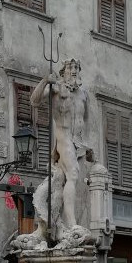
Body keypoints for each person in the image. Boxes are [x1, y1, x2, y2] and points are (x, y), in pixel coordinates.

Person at [30, 59, 93, 242]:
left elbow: (85, 120)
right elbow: (34, 101)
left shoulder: (83, 94)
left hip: (78, 143)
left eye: (76, 68)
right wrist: (44, 81)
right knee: (72, 175)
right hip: (63, 139)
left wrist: (87, 146)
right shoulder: (56, 89)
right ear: (63, 71)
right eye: (70, 67)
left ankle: (60, 221)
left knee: (66, 182)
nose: (73, 70)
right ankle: (72, 223)